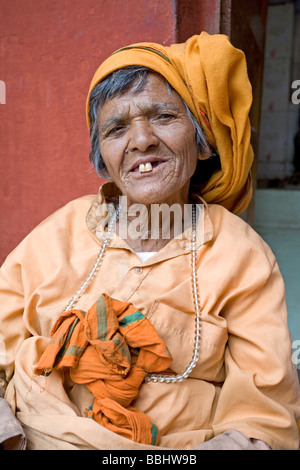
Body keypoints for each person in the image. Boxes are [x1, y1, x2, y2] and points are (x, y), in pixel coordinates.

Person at [0, 32, 299, 451]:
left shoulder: (241, 256)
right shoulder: (60, 233)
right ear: (102, 156)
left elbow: (265, 419)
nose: (141, 140)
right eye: (117, 128)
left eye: (162, 116)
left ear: (202, 141)